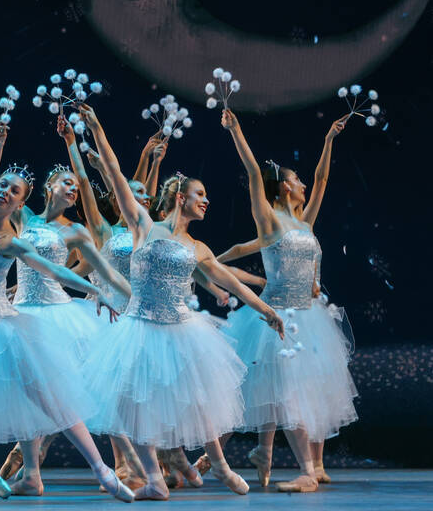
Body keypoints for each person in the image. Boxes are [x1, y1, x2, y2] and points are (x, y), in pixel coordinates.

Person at [0, 98, 134, 504]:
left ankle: (104, 471)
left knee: (49, 399)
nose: (3, 190)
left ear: (21, 203)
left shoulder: (11, 240)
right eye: (2, 185)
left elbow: (56, 271)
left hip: (5, 329)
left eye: (13, 190)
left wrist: (95, 291)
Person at [79, 103, 285, 498]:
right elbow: (116, 174)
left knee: (200, 398)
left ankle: (221, 468)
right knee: (131, 404)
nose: (206, 201)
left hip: (181, 328)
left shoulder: (199, 247)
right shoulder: (143, 225)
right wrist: (97, 126)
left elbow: (237, 286)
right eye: (200, 194)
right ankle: (155, 481)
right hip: (139, 326)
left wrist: (267, 311)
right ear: (179, 198)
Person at [216, 109, 358, 492]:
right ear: (282, 189)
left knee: (302, 389)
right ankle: (303, 471)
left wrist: (329, 139)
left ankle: (309, 467)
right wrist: (237, 131)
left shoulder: (305, 222)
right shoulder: (271, 220)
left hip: (309, 316)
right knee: (274, 389)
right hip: (277, 315)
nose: (304, 187)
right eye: (296, 182)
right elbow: (251, 173)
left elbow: (322, 177)